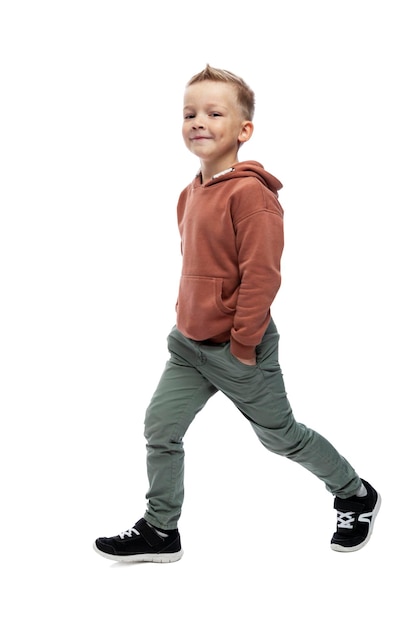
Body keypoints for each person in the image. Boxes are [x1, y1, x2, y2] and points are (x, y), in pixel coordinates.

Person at [93, 64, 380, 563]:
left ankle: (355, 493)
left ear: (244, 130)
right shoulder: (189, 193)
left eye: (214, 112)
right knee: (160, 427)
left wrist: (244, 343)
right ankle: (161, 530)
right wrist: (187, 314)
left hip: (237, 348)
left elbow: (262, 277)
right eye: (189, 113)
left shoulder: (252, 196)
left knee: (281, 438)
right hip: (189, 345)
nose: (198, 121)